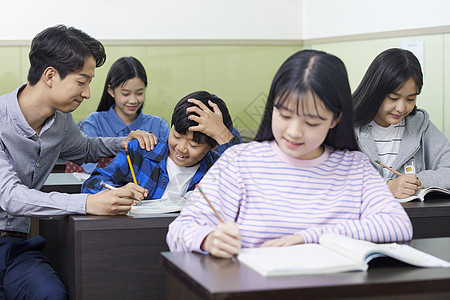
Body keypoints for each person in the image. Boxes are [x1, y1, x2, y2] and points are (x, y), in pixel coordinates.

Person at [166, 49, 413, 259]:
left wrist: (307, 237)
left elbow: (398, 225)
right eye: (284, 115)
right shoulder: (239, 162)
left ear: (335, 119)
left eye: (312, 122)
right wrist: (208, 239)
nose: (294, 132)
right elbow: (180, 230)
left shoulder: (354, 167)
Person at [0, 25, 154, 299]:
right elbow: (10, 197)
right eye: (81, 82)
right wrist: (88, 204)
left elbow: (84, 148)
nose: (87, 94)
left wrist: (122, 142)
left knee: (52, 294)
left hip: (16, 248)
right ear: (50, 76)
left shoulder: (60, 121)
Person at [81, 91, 241, 200]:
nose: (181, 148)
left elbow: (250, 186)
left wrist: (222, 134)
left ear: (212, 146)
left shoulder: (218, 166)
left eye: (193, 145)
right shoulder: (141, 151)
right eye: (177, 136)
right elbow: (91, 184)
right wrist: (119, 193)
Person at [353, 48, 450, 199]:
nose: (401, 108)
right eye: (393, 98)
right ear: (375, 91)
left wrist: (417, 180)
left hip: (411, 219)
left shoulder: (419, 124)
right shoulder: (348, 127)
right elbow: (336, 180)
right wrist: (387, 186)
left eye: (410, 99)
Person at [79, 56, 170, 173]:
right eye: (125, 94)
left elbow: (170, 165)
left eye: (139, 93)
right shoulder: (95, 122)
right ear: (111, 90)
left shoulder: (159, 125)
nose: (133, 100)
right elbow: (90, 167)